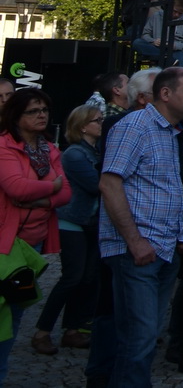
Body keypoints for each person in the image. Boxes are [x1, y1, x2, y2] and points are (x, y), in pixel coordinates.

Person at [99, 67, 183, 388]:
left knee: (144, 337)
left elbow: (167, 189)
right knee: (138, 338)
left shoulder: (173, 131)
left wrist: (181, 238)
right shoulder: (135, 127)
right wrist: (135, 241)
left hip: (165, 249)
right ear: (166, 94)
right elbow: (109, 184)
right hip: (137, 251)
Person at [0, 88, 72, 372]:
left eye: (44, 110)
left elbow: (65, 194)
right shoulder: (5, 147)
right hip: (7, 244)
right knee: (3, 311)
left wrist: (41, 196)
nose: (41, 115)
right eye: (33, 111)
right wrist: (50, 187)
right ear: (17, 117)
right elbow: (15, 187)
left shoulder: (49, 149)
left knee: (16, 309)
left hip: (34, 246)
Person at [32, 103, 103, 354]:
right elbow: (97, 185)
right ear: (83, 126)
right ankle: (43, 331)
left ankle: (72, 330)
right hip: (71, 221)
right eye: (97, 120)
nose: (101, 124)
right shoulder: (75, 154)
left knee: (86, 277)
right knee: (72, 277)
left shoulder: (94, 152)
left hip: (87, 222)